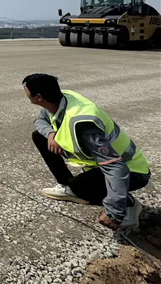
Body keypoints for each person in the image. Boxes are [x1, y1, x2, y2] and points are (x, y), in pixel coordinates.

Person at [23, 73, 150, 231]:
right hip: (104, 165)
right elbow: (40, 120)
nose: (24, 91)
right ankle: (67, 186)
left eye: (26, 89)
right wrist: (50, 134)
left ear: (39, 97)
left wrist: (114, 212)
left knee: (80, 187)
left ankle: (129, 205)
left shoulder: (84, 125)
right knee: (39, 136)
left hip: (132, 171)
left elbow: (115, 167)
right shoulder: (59, 99)